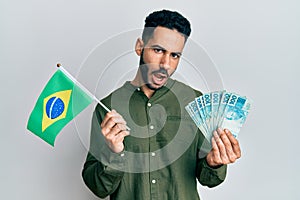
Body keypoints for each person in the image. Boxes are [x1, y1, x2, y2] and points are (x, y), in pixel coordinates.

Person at [82, 9, 241, 200]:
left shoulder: (194, 102)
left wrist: (213, 163)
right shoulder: (107, 108)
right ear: (140, 47)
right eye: (158, 50)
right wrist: (114, 153)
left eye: (175, 55)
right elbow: (98, 188)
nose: (166, 64)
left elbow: (209, 179)